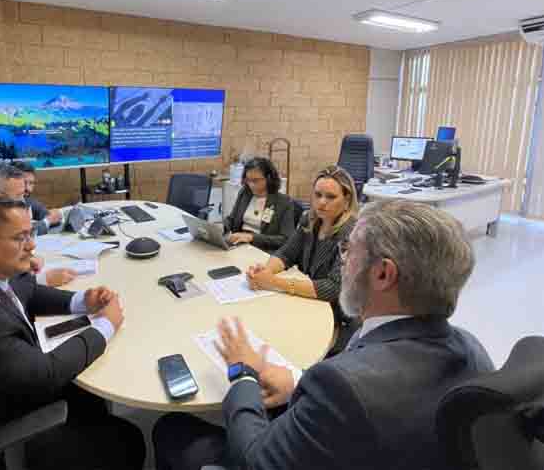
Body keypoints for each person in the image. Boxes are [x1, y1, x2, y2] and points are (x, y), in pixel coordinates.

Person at [152, 199, 495, 470]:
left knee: (171, 428)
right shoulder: (473, 350)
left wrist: (243, 374)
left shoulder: (342, 384)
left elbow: (255, 460)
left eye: (350, 250)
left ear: (383, 274)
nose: (343, 261)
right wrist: (300, 381)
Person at [0, 195, 145, 470]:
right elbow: (48, 373)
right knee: (126, 441)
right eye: (19, 238)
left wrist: (82, 301)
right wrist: (106, 324)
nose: (32, 245)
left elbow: (28, 291)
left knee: (91, 390)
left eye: (30, 234)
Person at [246, 165, 359, 354]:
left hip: (334, 315)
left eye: (331, 197)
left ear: (347, 200)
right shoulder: (310, 219)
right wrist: (266, 271)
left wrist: (274, 282)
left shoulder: (351, 233)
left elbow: (333, 288)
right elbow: (287, 253)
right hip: (307, 301)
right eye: (318, 195)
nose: (322, 202)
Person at [223, 157, 295, 253]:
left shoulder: (284, 202)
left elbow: (286, 239)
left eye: (256, 180)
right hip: (240, 245)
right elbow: (232, 219)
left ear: (269, 178)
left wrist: (252, 237)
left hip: (264, 250)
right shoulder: (245, 194)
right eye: (248, 180)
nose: (251, 185)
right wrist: (221, 228)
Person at [10, 161, 63, 232]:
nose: (28, 189)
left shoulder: (27, 201)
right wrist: (47, 221)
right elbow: (20, 234)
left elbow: (51, 215)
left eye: (31, 183)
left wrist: (53, 215)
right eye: (23, 182)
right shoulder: (0, 206)